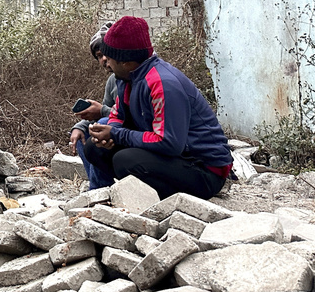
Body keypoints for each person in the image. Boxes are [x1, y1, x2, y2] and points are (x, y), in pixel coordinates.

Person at [81, 16, 233, 199]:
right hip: (174, 157)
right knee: (95, 148)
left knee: (125, 161)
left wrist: (117, 134)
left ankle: (163, 201)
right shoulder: (126, 78)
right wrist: (110, 134)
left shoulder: (163, 84)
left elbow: (169, 143)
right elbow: (118, 115)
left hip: (204, 169)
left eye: (110, 58)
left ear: (125, 62)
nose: (107, 63)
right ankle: (111, 195)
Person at [69, 23, 117, 189]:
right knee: (82, 134)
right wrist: (79, 127)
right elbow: (108, 109)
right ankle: (100, 189)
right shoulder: (112, 81)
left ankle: (97, 190)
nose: (104, 59)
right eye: (99, 56)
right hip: (117, 131)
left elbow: (131, 115)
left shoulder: (135, 77)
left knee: (101, 125)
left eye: (106, 53)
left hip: (135, 136)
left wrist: (102, 111)